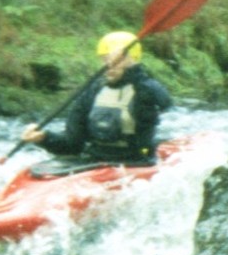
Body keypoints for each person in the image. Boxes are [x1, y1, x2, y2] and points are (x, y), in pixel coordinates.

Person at [20, 31, 172, 166]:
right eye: (104, 59)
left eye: (115, 60)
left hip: (136, 162)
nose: (108, 65)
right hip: (95, 162)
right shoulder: (91, 92)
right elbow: (72, 145)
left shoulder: (144, 89)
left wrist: (133, 69)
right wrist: (43, 138)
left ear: (131, 60)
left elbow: (165, 102)